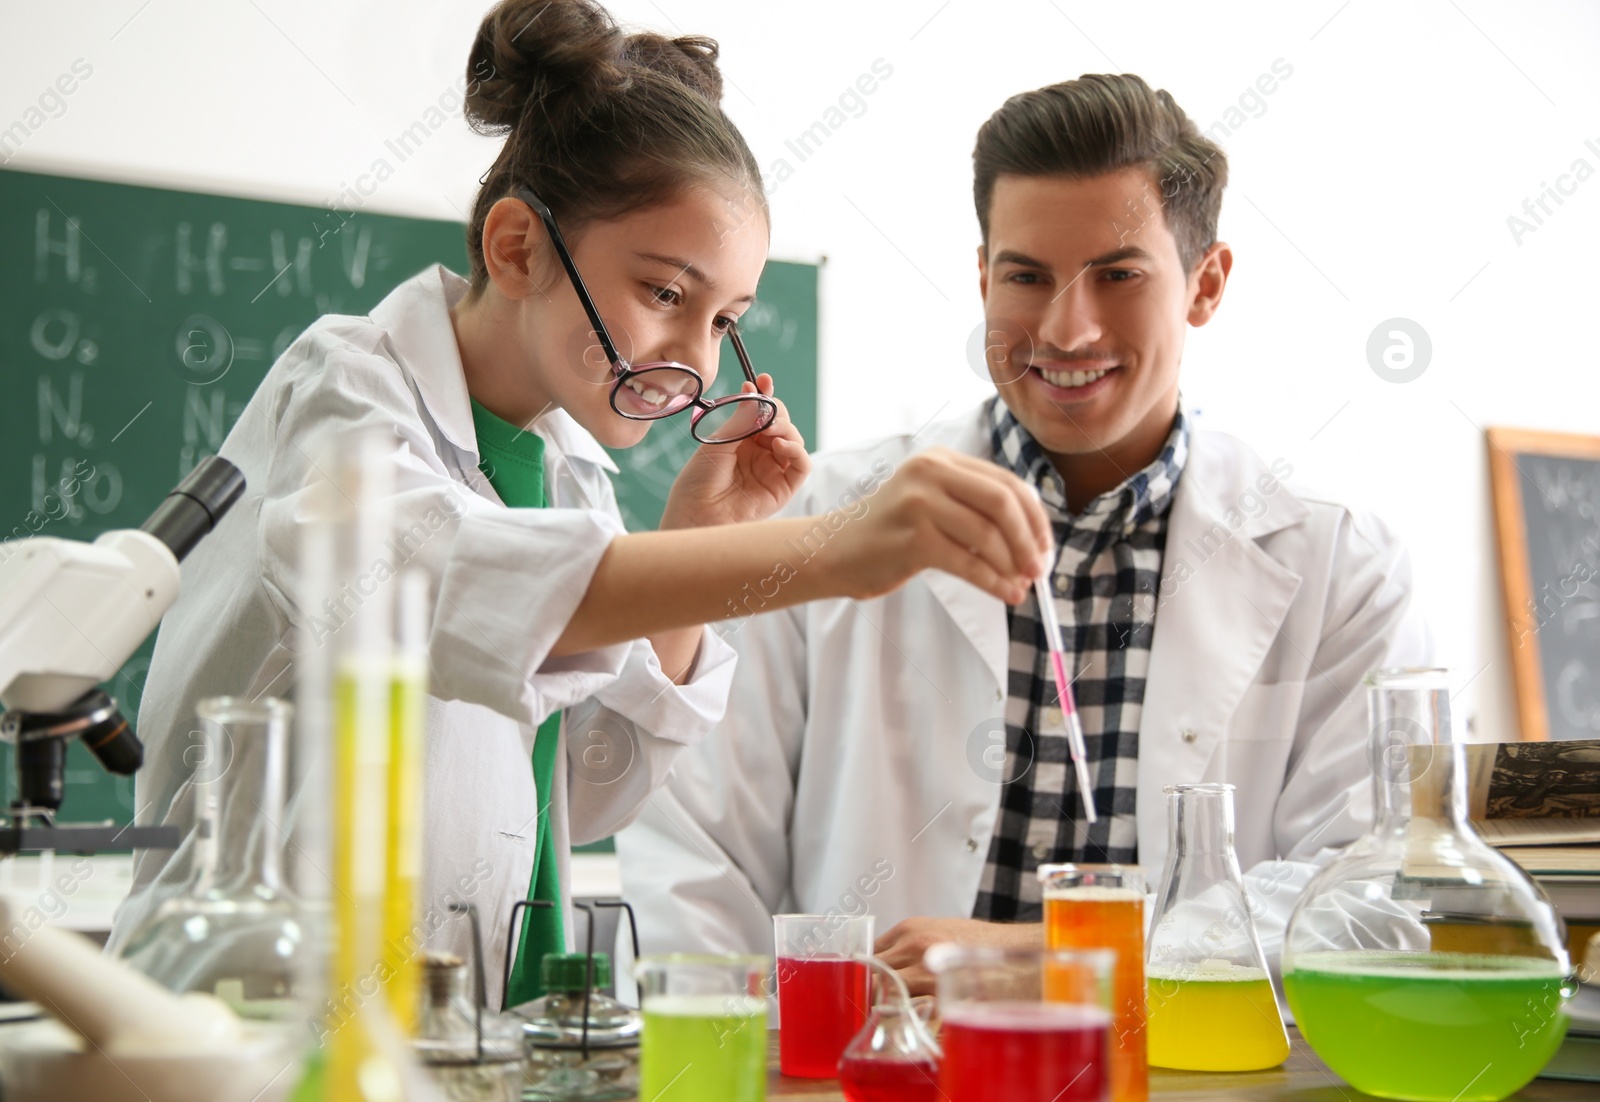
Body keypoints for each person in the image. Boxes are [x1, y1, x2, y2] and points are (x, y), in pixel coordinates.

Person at [107, 0, 1052, 1009]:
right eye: (663, 293)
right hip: (236, 1022)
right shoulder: (343, 393)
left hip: (462, 1027)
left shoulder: (567, 472)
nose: (694, 359)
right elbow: (436, 583)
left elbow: (584, 788)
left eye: (723, 317)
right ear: (516, 248)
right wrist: (827, 549)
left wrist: (700, 546)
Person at [617, 73, 1433, 993]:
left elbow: (1369, 900)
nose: (1066, 328)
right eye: (1026, 276)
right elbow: (693, 852)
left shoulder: (1340, 564)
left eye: (1118, 275)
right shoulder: (818, 518)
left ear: (1206, 285)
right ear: (982, 278)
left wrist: (1060, 961)